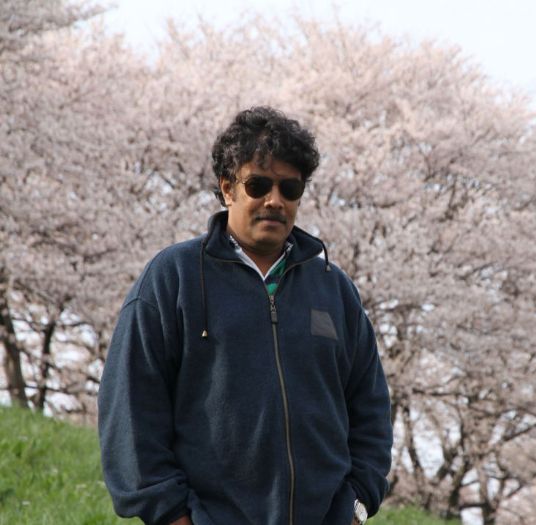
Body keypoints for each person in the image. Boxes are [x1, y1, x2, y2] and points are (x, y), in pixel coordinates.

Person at [98, 106, 393, 525]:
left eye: (290, 188)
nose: (275, 200)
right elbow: (131, 408)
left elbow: (371, 407)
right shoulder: (173, 277)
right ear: (227, 188)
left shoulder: (334, 289)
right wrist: (171, 515)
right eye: (258, 184)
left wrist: (357, 505)